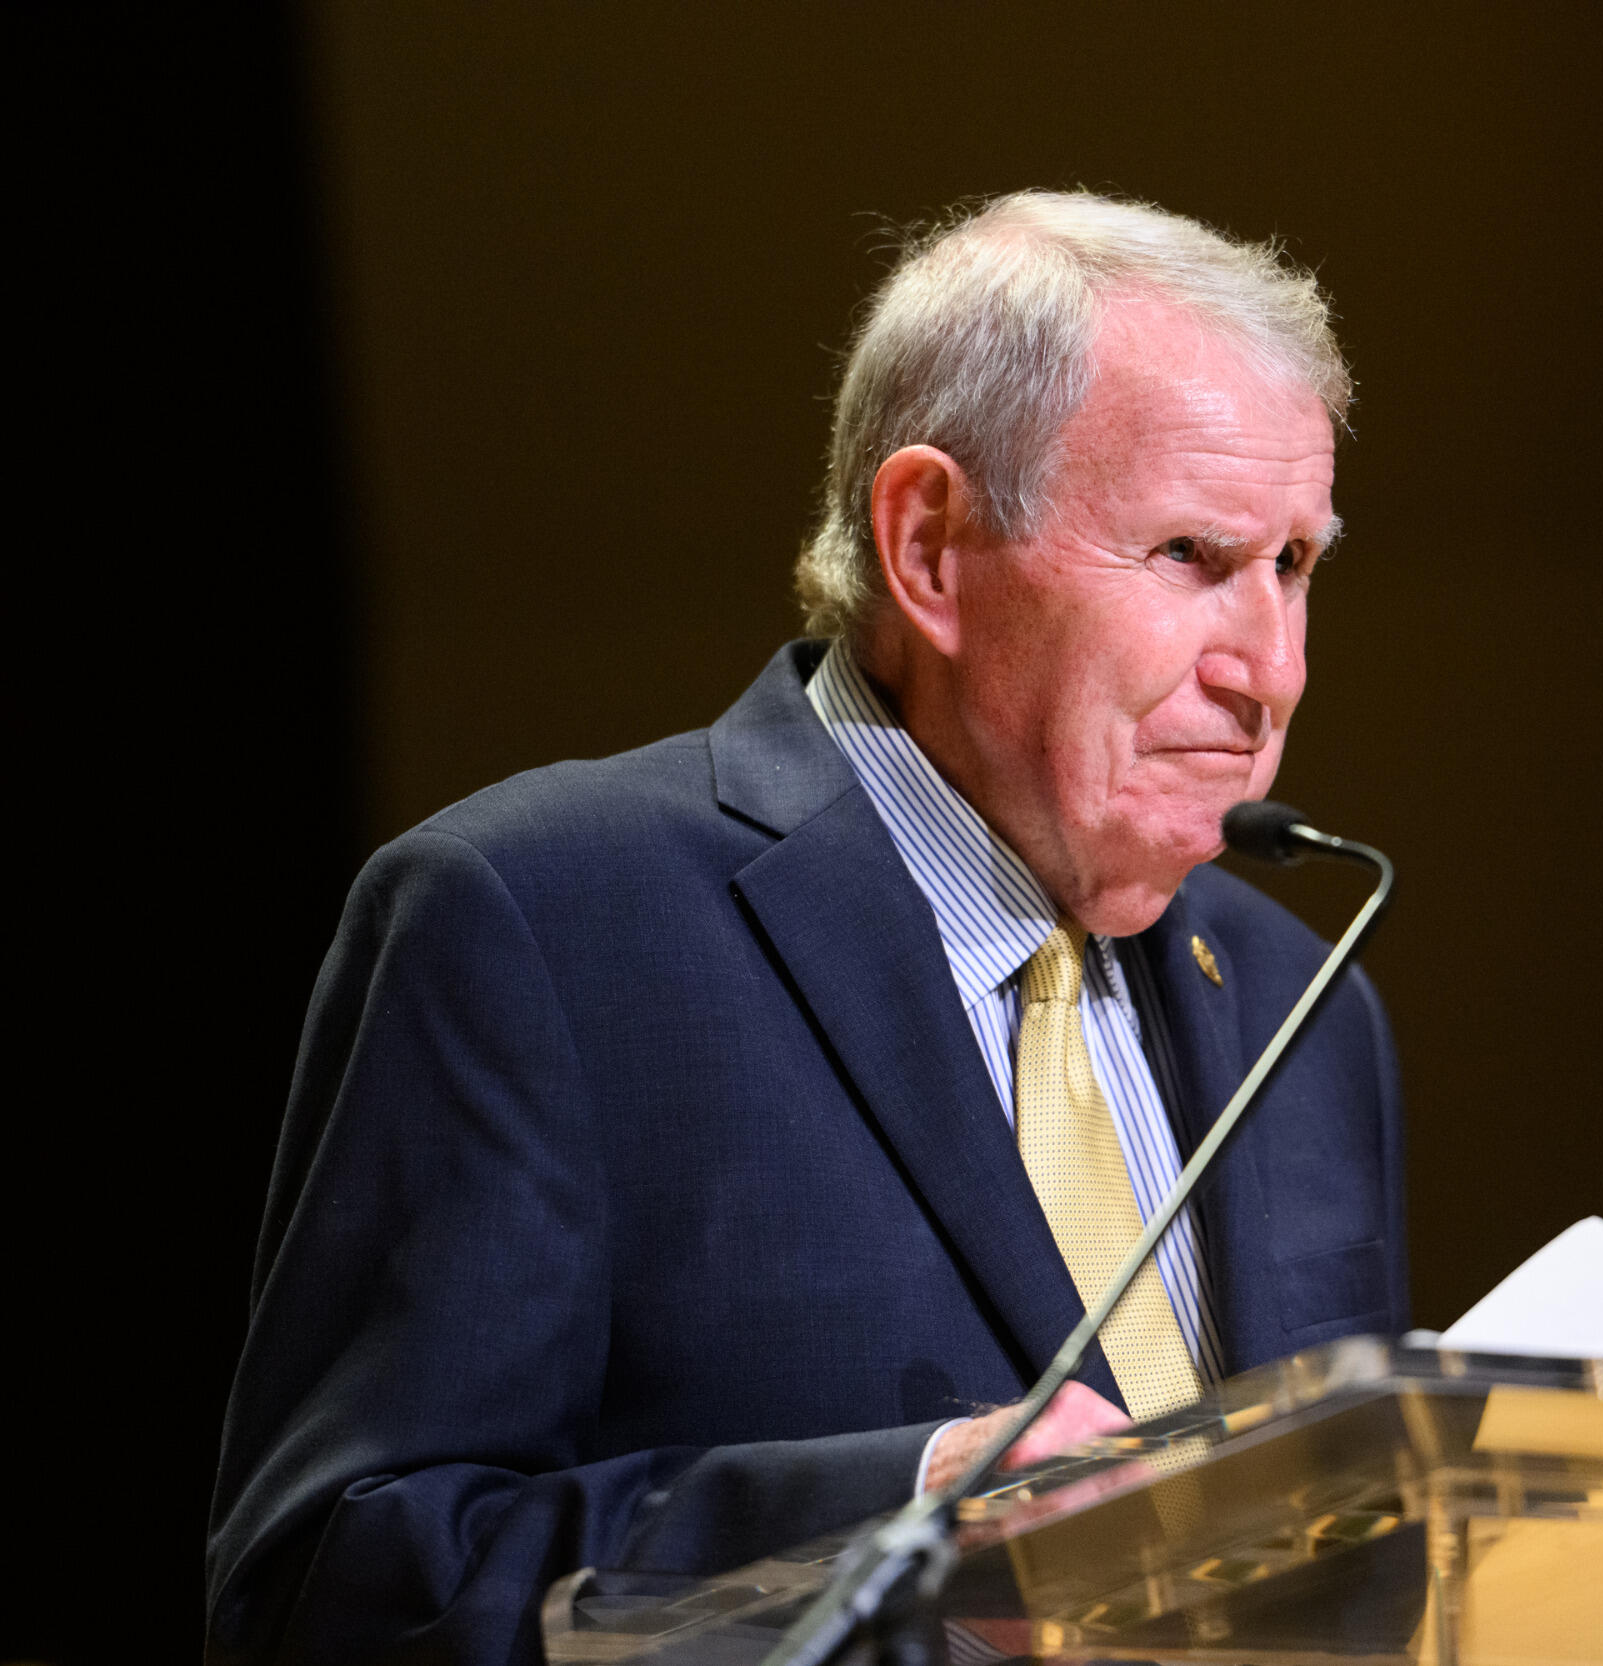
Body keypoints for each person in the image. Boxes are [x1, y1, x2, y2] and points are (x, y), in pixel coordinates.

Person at [206, 191, 1407, 1665]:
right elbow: (329, 1595)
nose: (1271, 672)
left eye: (1295, 566)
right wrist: (889, 1510)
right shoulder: (540, 925)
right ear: (930, 546)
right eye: (1191, 558)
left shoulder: (1306, 1005)